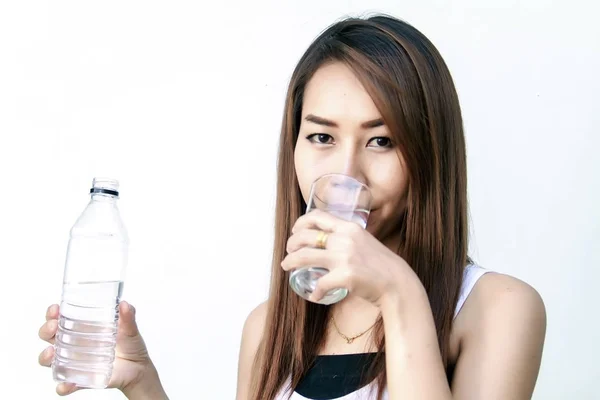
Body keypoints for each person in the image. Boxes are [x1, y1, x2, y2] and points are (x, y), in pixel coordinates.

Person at [38, 13, 547, 400]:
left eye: (382, 141)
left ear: (430, 154)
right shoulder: (268, 328)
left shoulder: (496, 308)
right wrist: (143, 383)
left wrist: (398, 292)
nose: (346, 174)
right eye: (322, 136)